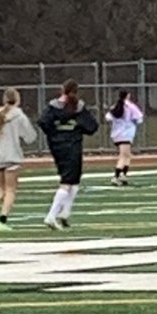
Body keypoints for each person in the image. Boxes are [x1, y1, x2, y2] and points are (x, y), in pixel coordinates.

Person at [38, 78, 99, 229]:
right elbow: (92, 127)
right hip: (73, 146)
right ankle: (51, 215)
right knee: (68, 181)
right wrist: (77, 129)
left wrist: (55, 134)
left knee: (73, 180)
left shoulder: (53, 107)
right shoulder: (78, 108)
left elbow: (43, 122)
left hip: (57, 146)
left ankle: (65, 212)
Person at [0, 87, 37, 232]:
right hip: (11, 156)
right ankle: (2, 221)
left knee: (1, 188)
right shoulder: (19, 116)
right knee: (10, 190)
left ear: (4, 99)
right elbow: (30, 136)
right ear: (17, 100)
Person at [105, 89, 144, 186]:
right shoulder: (130, 106)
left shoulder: (116, 106)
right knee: (123, 155)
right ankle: (116, 176)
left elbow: (108, 117)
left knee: (127, 155)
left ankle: (123, 175)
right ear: (128, 96)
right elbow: (139, 119)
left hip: (117, 134)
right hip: (126, 134)